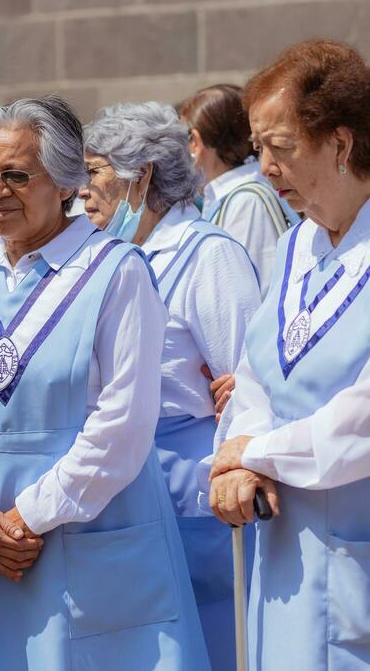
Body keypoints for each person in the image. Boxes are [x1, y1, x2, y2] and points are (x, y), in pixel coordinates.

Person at [0, 96, 209, 671]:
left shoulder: (117, 271)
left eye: (17, 174)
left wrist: (24, 519)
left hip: (84, 533)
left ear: (67, 180)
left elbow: (122, 423)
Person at [207, 39, 370, 670]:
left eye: (282, 148)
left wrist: (258, 452)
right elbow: (254, 376)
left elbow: (361, 417)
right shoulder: (297, 244)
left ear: (340, 144)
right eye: (258, 149)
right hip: (283, 554)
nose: (266, 169)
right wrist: (239, 461)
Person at [82, 101, 261, 671]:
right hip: (131, 485)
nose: (81, 191)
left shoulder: (208, 256)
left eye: (95, 172)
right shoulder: (112, 257)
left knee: (208, 644)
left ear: (145, 176)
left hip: (194, 495)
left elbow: (247, 379)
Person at [180, 84, 296, 296]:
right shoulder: (235, 196)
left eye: (182, 141)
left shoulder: (246, 201)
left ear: (195, 142)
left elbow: (248, 295)